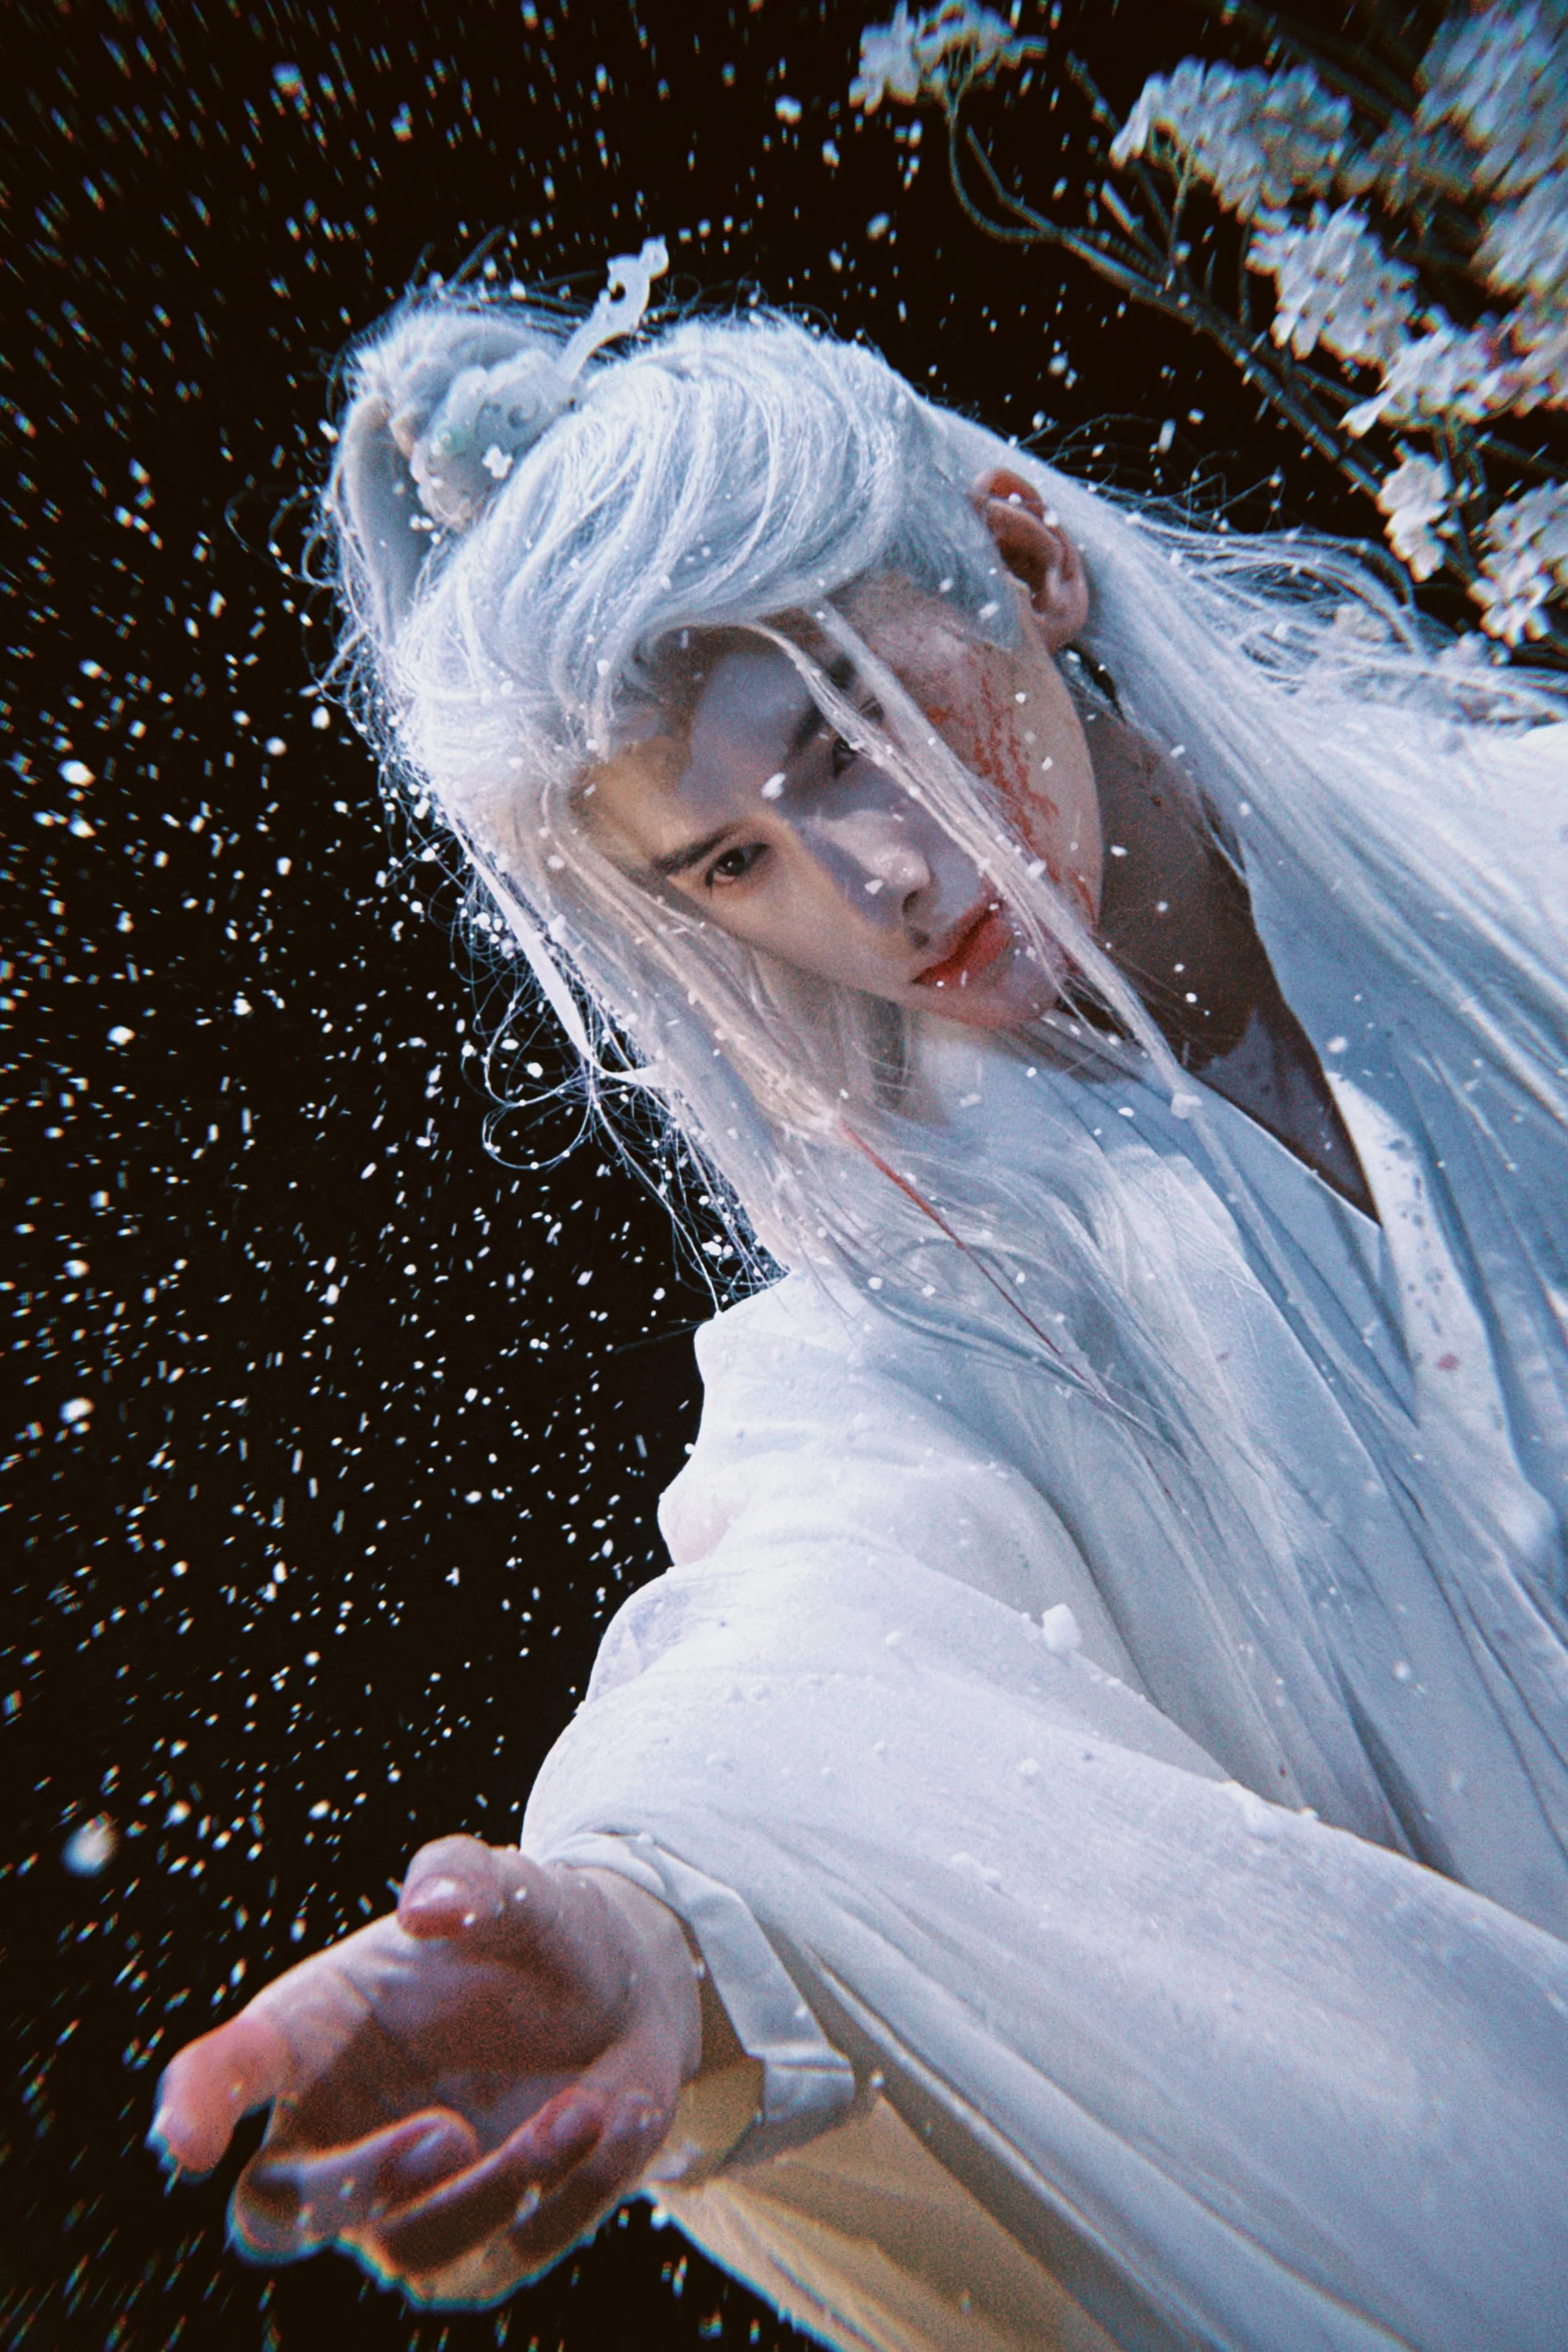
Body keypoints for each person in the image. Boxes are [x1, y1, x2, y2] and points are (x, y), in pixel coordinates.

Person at [152, 245, 1568, 2349]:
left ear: (1028, 557)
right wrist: (660, 1925)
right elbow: (815, 1614)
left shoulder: (1521, 848)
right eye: (723, 862)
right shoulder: (925, 1316)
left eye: (848, 739)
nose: (869, 886)